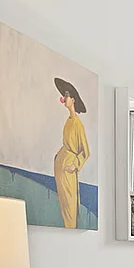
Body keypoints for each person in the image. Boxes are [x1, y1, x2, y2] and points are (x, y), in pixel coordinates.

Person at [52, 77, 90, 228]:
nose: (64, 99)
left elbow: (85, 151)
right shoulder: (68, 121)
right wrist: (58, 157)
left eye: (66, 96)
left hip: (68, 170)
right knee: (63, 203)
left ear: (73, 100)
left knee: (70, 205)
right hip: (61, 168)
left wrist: (74, 166)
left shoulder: (78, 124)